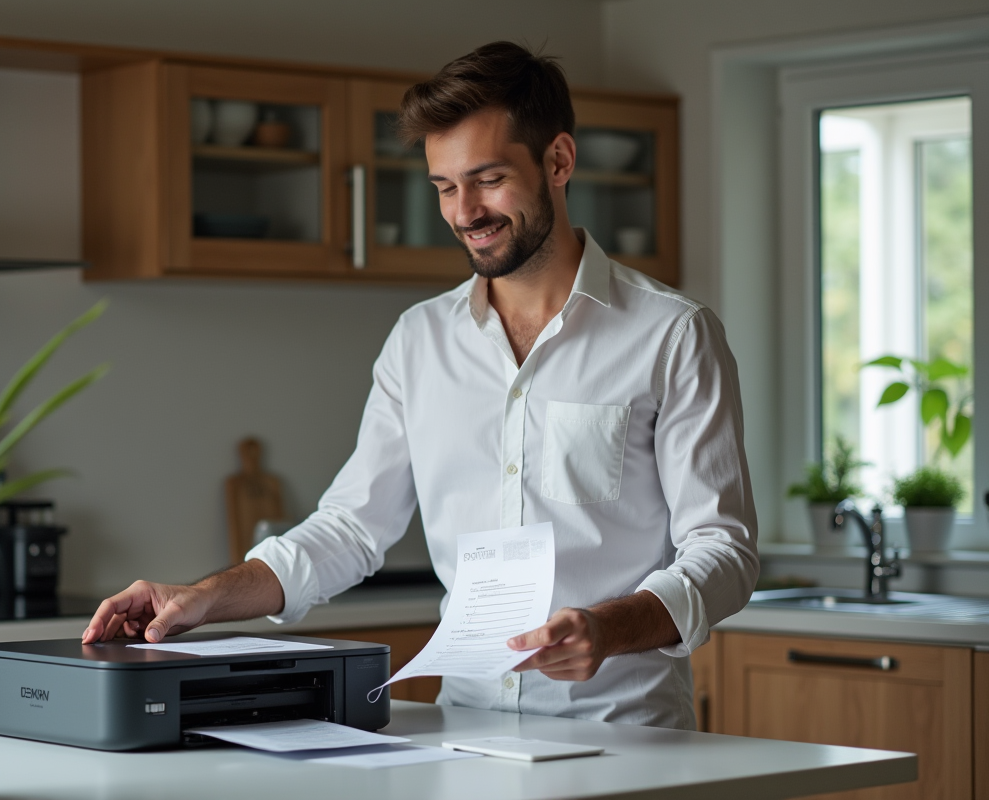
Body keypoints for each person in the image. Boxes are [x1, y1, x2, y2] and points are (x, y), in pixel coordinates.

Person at [82, 41, 759, 730]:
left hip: (627, 736)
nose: (464, 211)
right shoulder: (419, 340)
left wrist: (611, 628)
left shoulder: (673, 335)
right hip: (464, 733)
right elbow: (349, 528)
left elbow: (724, 552)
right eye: (443, 186)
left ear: (558, 161)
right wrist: (200, 598)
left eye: (488, 178)